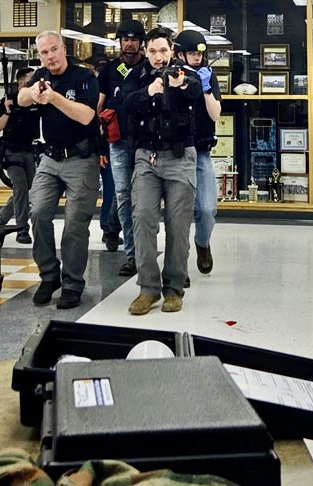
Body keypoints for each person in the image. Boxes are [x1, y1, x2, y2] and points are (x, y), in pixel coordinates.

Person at [18, 30, 100, 310]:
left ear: (64, 49)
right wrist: (32, 92)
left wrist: (53, 98)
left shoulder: (84, 77)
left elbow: (87, 115)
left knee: (75, 225)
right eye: (44, 52)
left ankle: (73, 283)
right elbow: (20, 100)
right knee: (38, 213)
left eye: (54, 50)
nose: (50, 56)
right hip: (50, 159)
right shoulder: (40, 75)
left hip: (81, 157)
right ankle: (49, 275)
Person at [123, 27, 202, 315]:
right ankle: (148, 288)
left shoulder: (184, 73)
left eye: (164, 51)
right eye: (153, 51)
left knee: (178, 226)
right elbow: (125, 104)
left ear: (172, 52)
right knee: (142, 217)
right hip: (147, 157)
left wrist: (180, 84)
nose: (159, 57)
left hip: (180, 157)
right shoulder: (136, 76)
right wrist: (149, 91)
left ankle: (173, 288)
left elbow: (195, 92)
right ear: (146, 51)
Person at [97, 19, 147, 275]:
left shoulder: (149, 69)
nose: (129, 44)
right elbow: (98, 108)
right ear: (119, 42)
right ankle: (132, 254)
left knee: (142, 199)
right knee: (123, 196)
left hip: (146, 144)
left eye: (134, 40)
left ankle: (138, 245)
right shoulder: (109, 71)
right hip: (117, 143)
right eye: (125, 39)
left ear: (141, 43)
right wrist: (100, 146)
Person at [175, 29, 221, 276]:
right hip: (178, 152)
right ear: (180, 54)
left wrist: (205, 88)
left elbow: (215, 115)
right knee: (179, 212)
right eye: (192, 53)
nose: (197, 58)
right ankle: (179, 265)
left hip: (202, 151)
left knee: (206, 209)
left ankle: (202, 244)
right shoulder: (173, 75)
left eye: (200, 54)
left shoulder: (208, 76)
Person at [0, 67, 41, 244]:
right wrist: (7, 111)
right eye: (30, 79)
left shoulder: (35, 101)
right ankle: (22, 229)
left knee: (27, 189)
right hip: (11, 152)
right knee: (20, 188)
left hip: (29, 150)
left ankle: (0, 217)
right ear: (21, 82)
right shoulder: (9, 101)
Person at [93, 57, 122, 252]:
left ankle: (109, 228)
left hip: (115, 144)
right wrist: (101, 150)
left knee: (115, 191)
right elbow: (98, 122)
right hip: (106, 146)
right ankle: (108, 228)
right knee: (113, 191)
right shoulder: (95, 96)